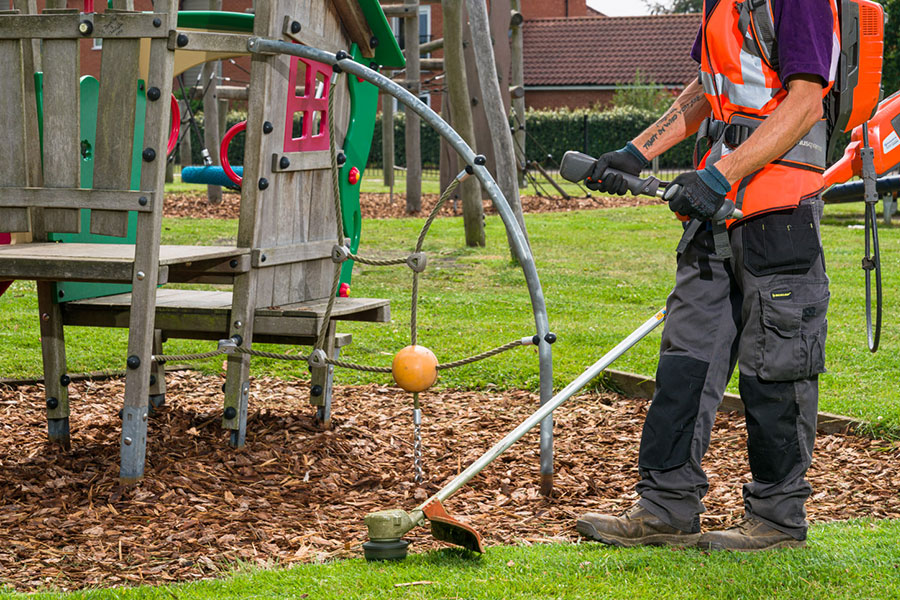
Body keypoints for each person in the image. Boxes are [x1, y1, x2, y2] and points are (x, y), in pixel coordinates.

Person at [576, 0, 838, 551]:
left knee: (777, 370)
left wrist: (719, 175)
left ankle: (777, 518)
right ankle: (665, 506)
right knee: (684, 358)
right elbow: (705, 90)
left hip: (779, 215)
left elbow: (807, 102)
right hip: (715, 208)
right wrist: (636, 151)